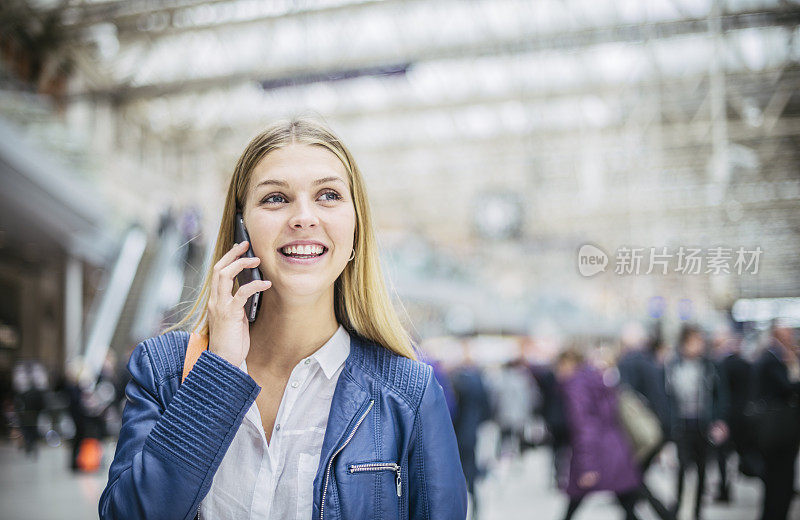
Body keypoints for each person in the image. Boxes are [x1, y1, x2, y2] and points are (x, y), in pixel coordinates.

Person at [99, 118, 467, 520]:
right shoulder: (165, 370)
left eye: (328, 195)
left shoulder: (409, 395)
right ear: (243, 227)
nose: (303, 217)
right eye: (275, 198)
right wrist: (217, 373)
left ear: (355, 229)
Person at [556, 348, 642, 520]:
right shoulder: (594, 379)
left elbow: (585, 426)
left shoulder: (576, 386)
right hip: (615, 448)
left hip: (596, 452)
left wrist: (587, 465)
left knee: (575, 500)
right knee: (627, 501)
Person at [665, 324, 729, 520]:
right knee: (683, 468)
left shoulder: (709, 366)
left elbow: (720, 394)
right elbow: (667, 396)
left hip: (703, 424)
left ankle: (697, 511)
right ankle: (677, 508)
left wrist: (720, 421)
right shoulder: (673, 365)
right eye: (694, 341)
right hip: (682, 425)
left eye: (700, 341)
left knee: (702, 469)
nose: (698, 345)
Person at [753, 321, 800, 520]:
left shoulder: (773, 356)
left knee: (779, 480)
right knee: (778, 480)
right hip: (778, 430)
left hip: (779, 430)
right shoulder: (772, 358)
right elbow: (787, 387)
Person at [450, 338, 491, 520]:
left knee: (457, 473)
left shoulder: (458, 379)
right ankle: (475, 510)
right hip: (472, 431)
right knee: (470, 472)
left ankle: (461, 509)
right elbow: (486, 406)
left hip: (458, 433)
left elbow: (453, 409)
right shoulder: (479, 379)